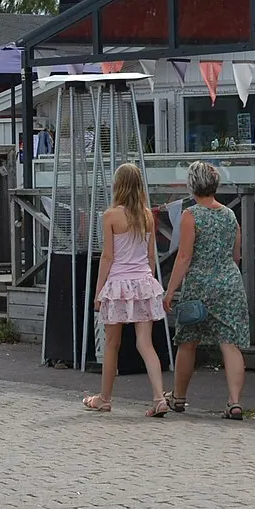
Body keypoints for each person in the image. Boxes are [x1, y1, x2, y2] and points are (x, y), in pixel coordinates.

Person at [163, 161, 252, 419]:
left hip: (199, 285)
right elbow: (236, 255)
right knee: (230, 344)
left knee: (188, 341)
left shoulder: (191, 216)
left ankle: (178, 397)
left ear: (192, 186)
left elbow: (184, 257)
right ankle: (234, 402)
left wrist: (170, 291)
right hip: (229, 283)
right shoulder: (229, 215)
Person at [83, 162, 170, 418]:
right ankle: (158, 397)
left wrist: (99, 291)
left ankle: (105, 398)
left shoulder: (110, 216)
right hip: (143, 282)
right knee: (145, 343)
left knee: (112, 344)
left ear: (117, 186)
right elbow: (151, 255)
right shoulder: (146, 216)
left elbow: (108, 257)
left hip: (118, 285)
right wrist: (149, 282)